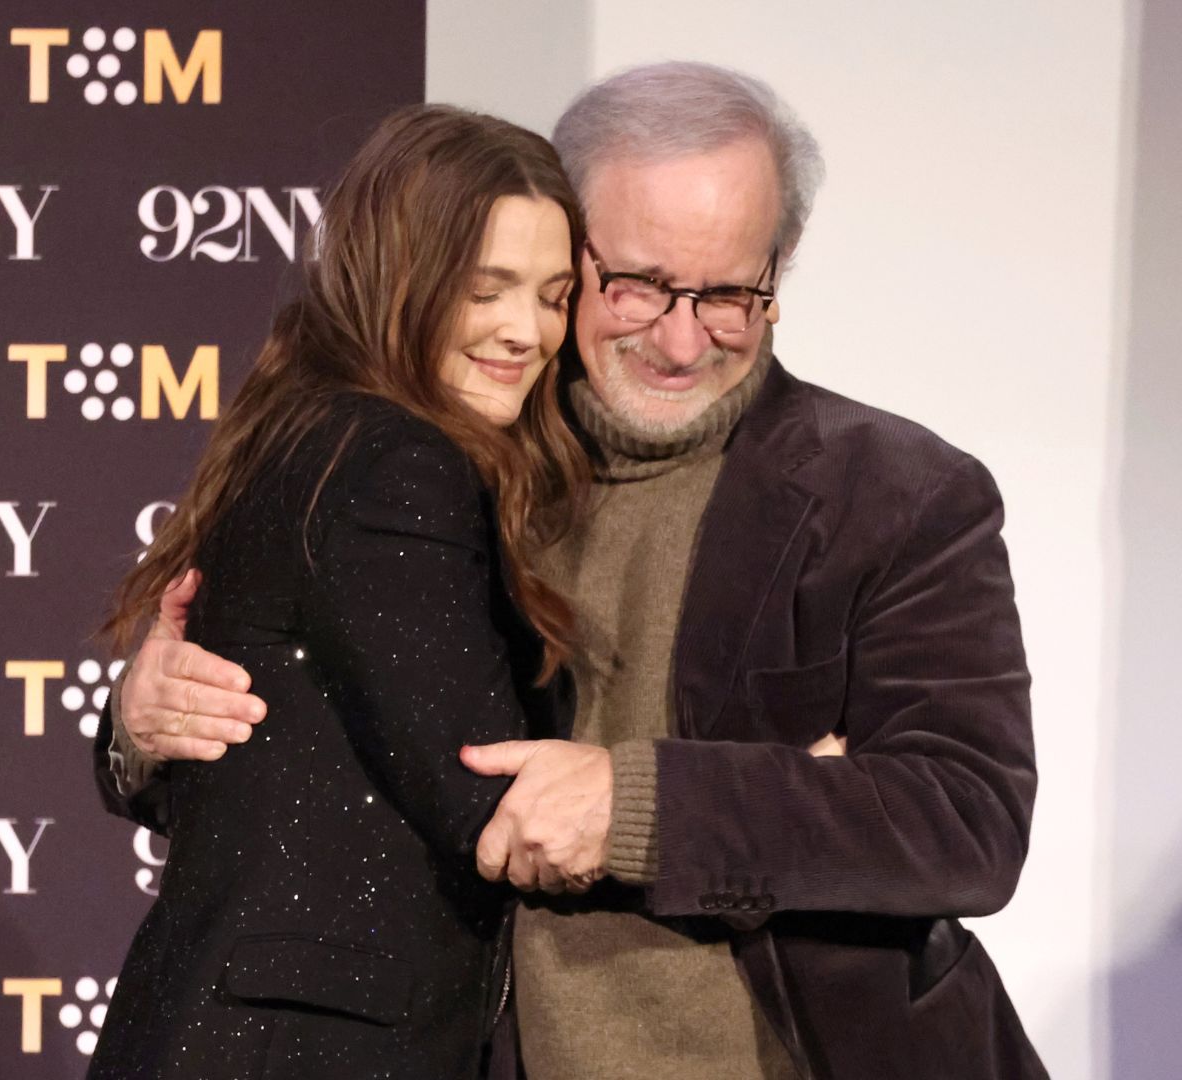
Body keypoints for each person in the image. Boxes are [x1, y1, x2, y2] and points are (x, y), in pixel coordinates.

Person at [101, 63, 1047, 1079]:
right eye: (636, 285)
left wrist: (647, 805)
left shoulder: (898, 493)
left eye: (729, 294)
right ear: (564, 247)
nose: (681, 340)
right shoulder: (451, 453)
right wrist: (139, 731)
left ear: (781, 271)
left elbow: (967, 819)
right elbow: (333, 776)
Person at [85, 103, 592, 1080]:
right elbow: (485, 796)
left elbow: (277, 742)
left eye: (553, 295)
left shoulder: (306, 429)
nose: (526, 332)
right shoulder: (399, 464)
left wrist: (129, 737)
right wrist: (749, 792)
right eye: (486, 290)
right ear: (397, 276)